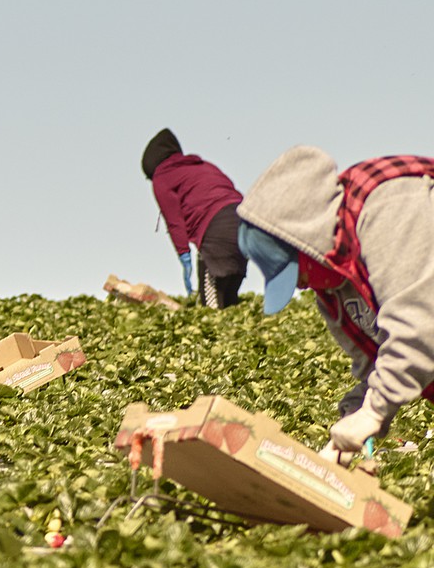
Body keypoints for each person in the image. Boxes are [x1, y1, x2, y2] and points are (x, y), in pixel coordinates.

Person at [237, 146, 434, 465]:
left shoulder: (392, 208)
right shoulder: (334, 290)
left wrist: (374, 411)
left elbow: (420, 325)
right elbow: (374, 365)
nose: (300, 285)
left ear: (308, 240)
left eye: (295, 269)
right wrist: (350, 426)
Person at [142, 128, 246, 308]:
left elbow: (174, 221)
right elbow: (229, 190)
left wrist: (184, 256)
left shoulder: (162, 176)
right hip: (246, 224)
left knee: (211, 308)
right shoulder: (203, 166)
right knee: (230, 301)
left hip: (217, 230)